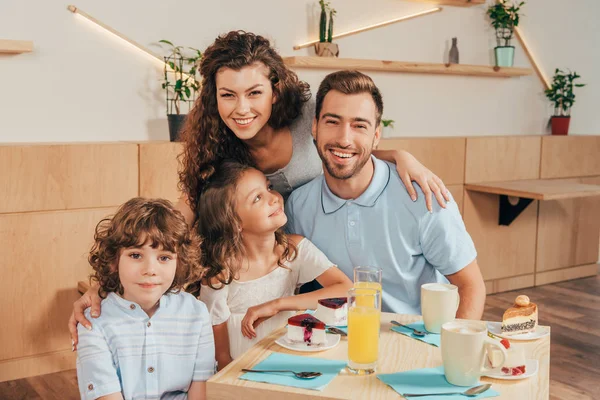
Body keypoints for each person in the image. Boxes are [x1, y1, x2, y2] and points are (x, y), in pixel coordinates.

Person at [69, 30, 450, 345]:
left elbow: (349, 144)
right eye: (227, 95)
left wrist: (400, 154)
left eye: (254, 93)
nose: (242, 108)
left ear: (275, 89)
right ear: (213, 96)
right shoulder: (217, 150)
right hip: (281, 264)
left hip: (324, 252)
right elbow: (176, 221)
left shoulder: (307, 117)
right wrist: (103, 286)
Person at [285, 70, 486, 318]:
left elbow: (471, 286)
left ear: (377, 135)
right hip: (332, 343)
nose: (344, 138)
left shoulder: (424, 196)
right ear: (314, 127)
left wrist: (453, 353)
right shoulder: (298, 205)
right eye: (332, 122)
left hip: (415, 343)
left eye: (359, 125)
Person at [197, 161, 352, 369]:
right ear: (234, 222)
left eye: (269, 187)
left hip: (288, 364)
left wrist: (277, 304)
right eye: (257, 198)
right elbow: (222, 356)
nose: (274, 198)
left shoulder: (294, 250)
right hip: (242, 369)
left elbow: (347, 289)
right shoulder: (220, 272)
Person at [76, 198, 214, 400]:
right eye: (135, 255)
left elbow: (200, 393)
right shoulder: (93, 323)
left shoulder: (197, 313)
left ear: (180, 263)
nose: (150, 270)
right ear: (114, 260)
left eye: (164, 258)